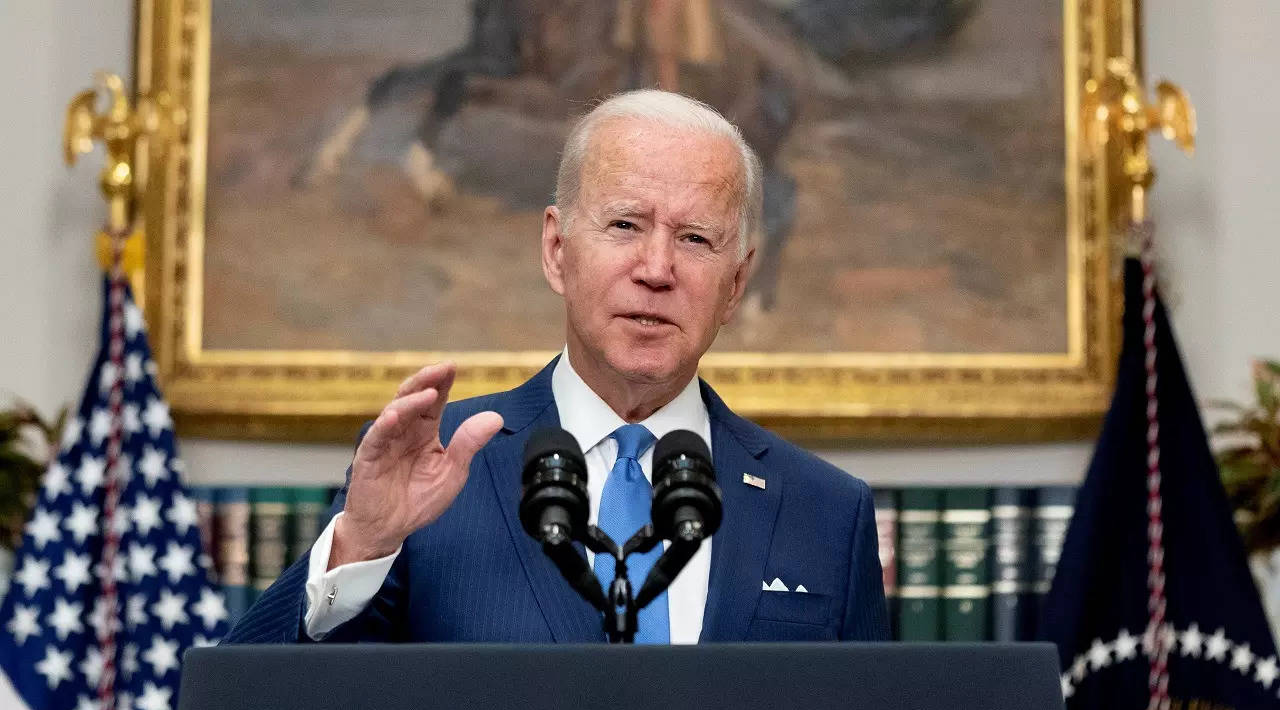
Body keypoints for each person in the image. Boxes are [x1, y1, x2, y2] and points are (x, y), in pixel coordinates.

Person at [225, 89, 888, 645]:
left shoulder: (827, 511)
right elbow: (253, 701)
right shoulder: (435, 470)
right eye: (625, 225)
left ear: (737, 284)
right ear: (555, 250)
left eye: (695, 239)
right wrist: (362, 545)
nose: (656, 270)